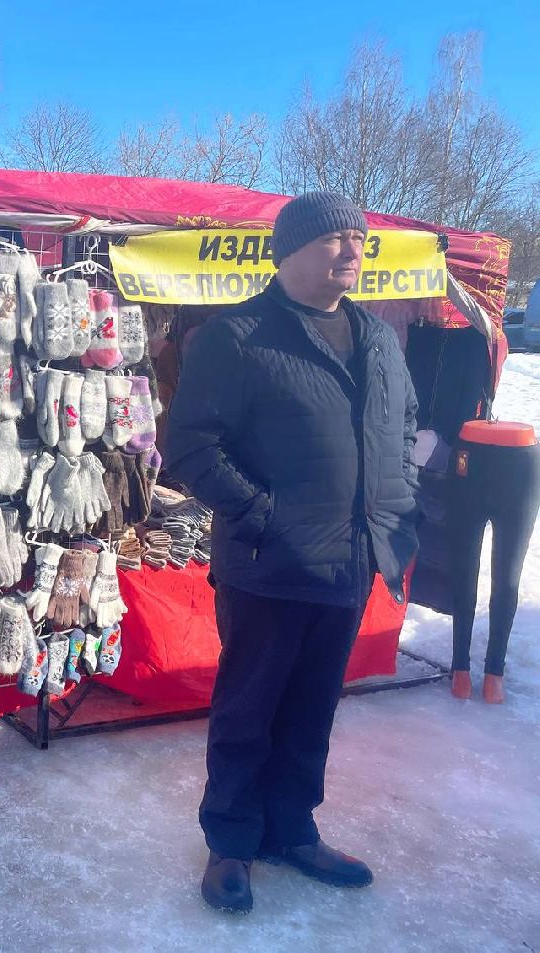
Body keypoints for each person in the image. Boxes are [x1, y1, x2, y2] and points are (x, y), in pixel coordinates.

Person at [165, 193, 420, 914]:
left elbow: (402, 428)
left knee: (311, 711)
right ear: (289, 251)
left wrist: (396, 512)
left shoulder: (378, 339)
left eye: (359, 239)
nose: (352, 250)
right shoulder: (237, 336)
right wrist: (262, 515)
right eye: (335, 238)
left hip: (350, 561)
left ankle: (292, 830)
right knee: (249, 710)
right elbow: (190, 446)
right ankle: (231, 841)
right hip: (268, 565)